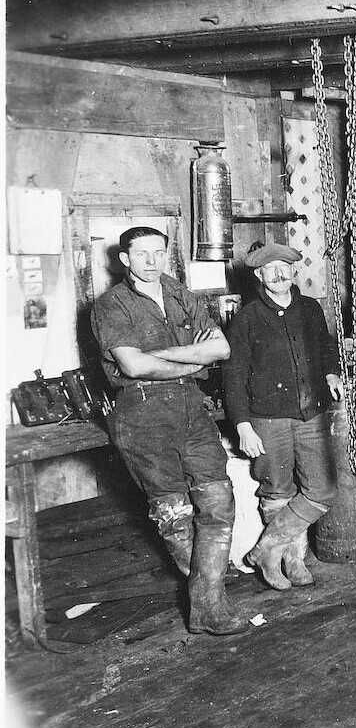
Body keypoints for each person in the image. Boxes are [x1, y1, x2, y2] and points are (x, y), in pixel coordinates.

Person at [89, 226, 248, 635]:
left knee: (219, 500)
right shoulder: (111, 305)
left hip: (191, 406)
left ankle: (206, 603)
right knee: (174, 513)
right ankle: (211, 606)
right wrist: (193, 360)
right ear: (124, 259)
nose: (151, 261)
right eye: (141, 254)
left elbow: (221, 349)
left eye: (158, 252)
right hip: (142, 413)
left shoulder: (180, 294)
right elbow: (133, 367)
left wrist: (164, 358)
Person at [225, 241, 343, 591]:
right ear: (259, 276)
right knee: (277, 489)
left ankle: (266, 550)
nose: (278, 274)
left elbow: (327, 346)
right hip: (267, 418)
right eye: (270, 269)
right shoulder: (247, 318)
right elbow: (233, 375)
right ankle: (292, 560)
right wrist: (243, 425)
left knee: (322, 489)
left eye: (284, 267)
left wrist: (332, 373)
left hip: (312, 413)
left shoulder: (310, 309)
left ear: (294, 271)